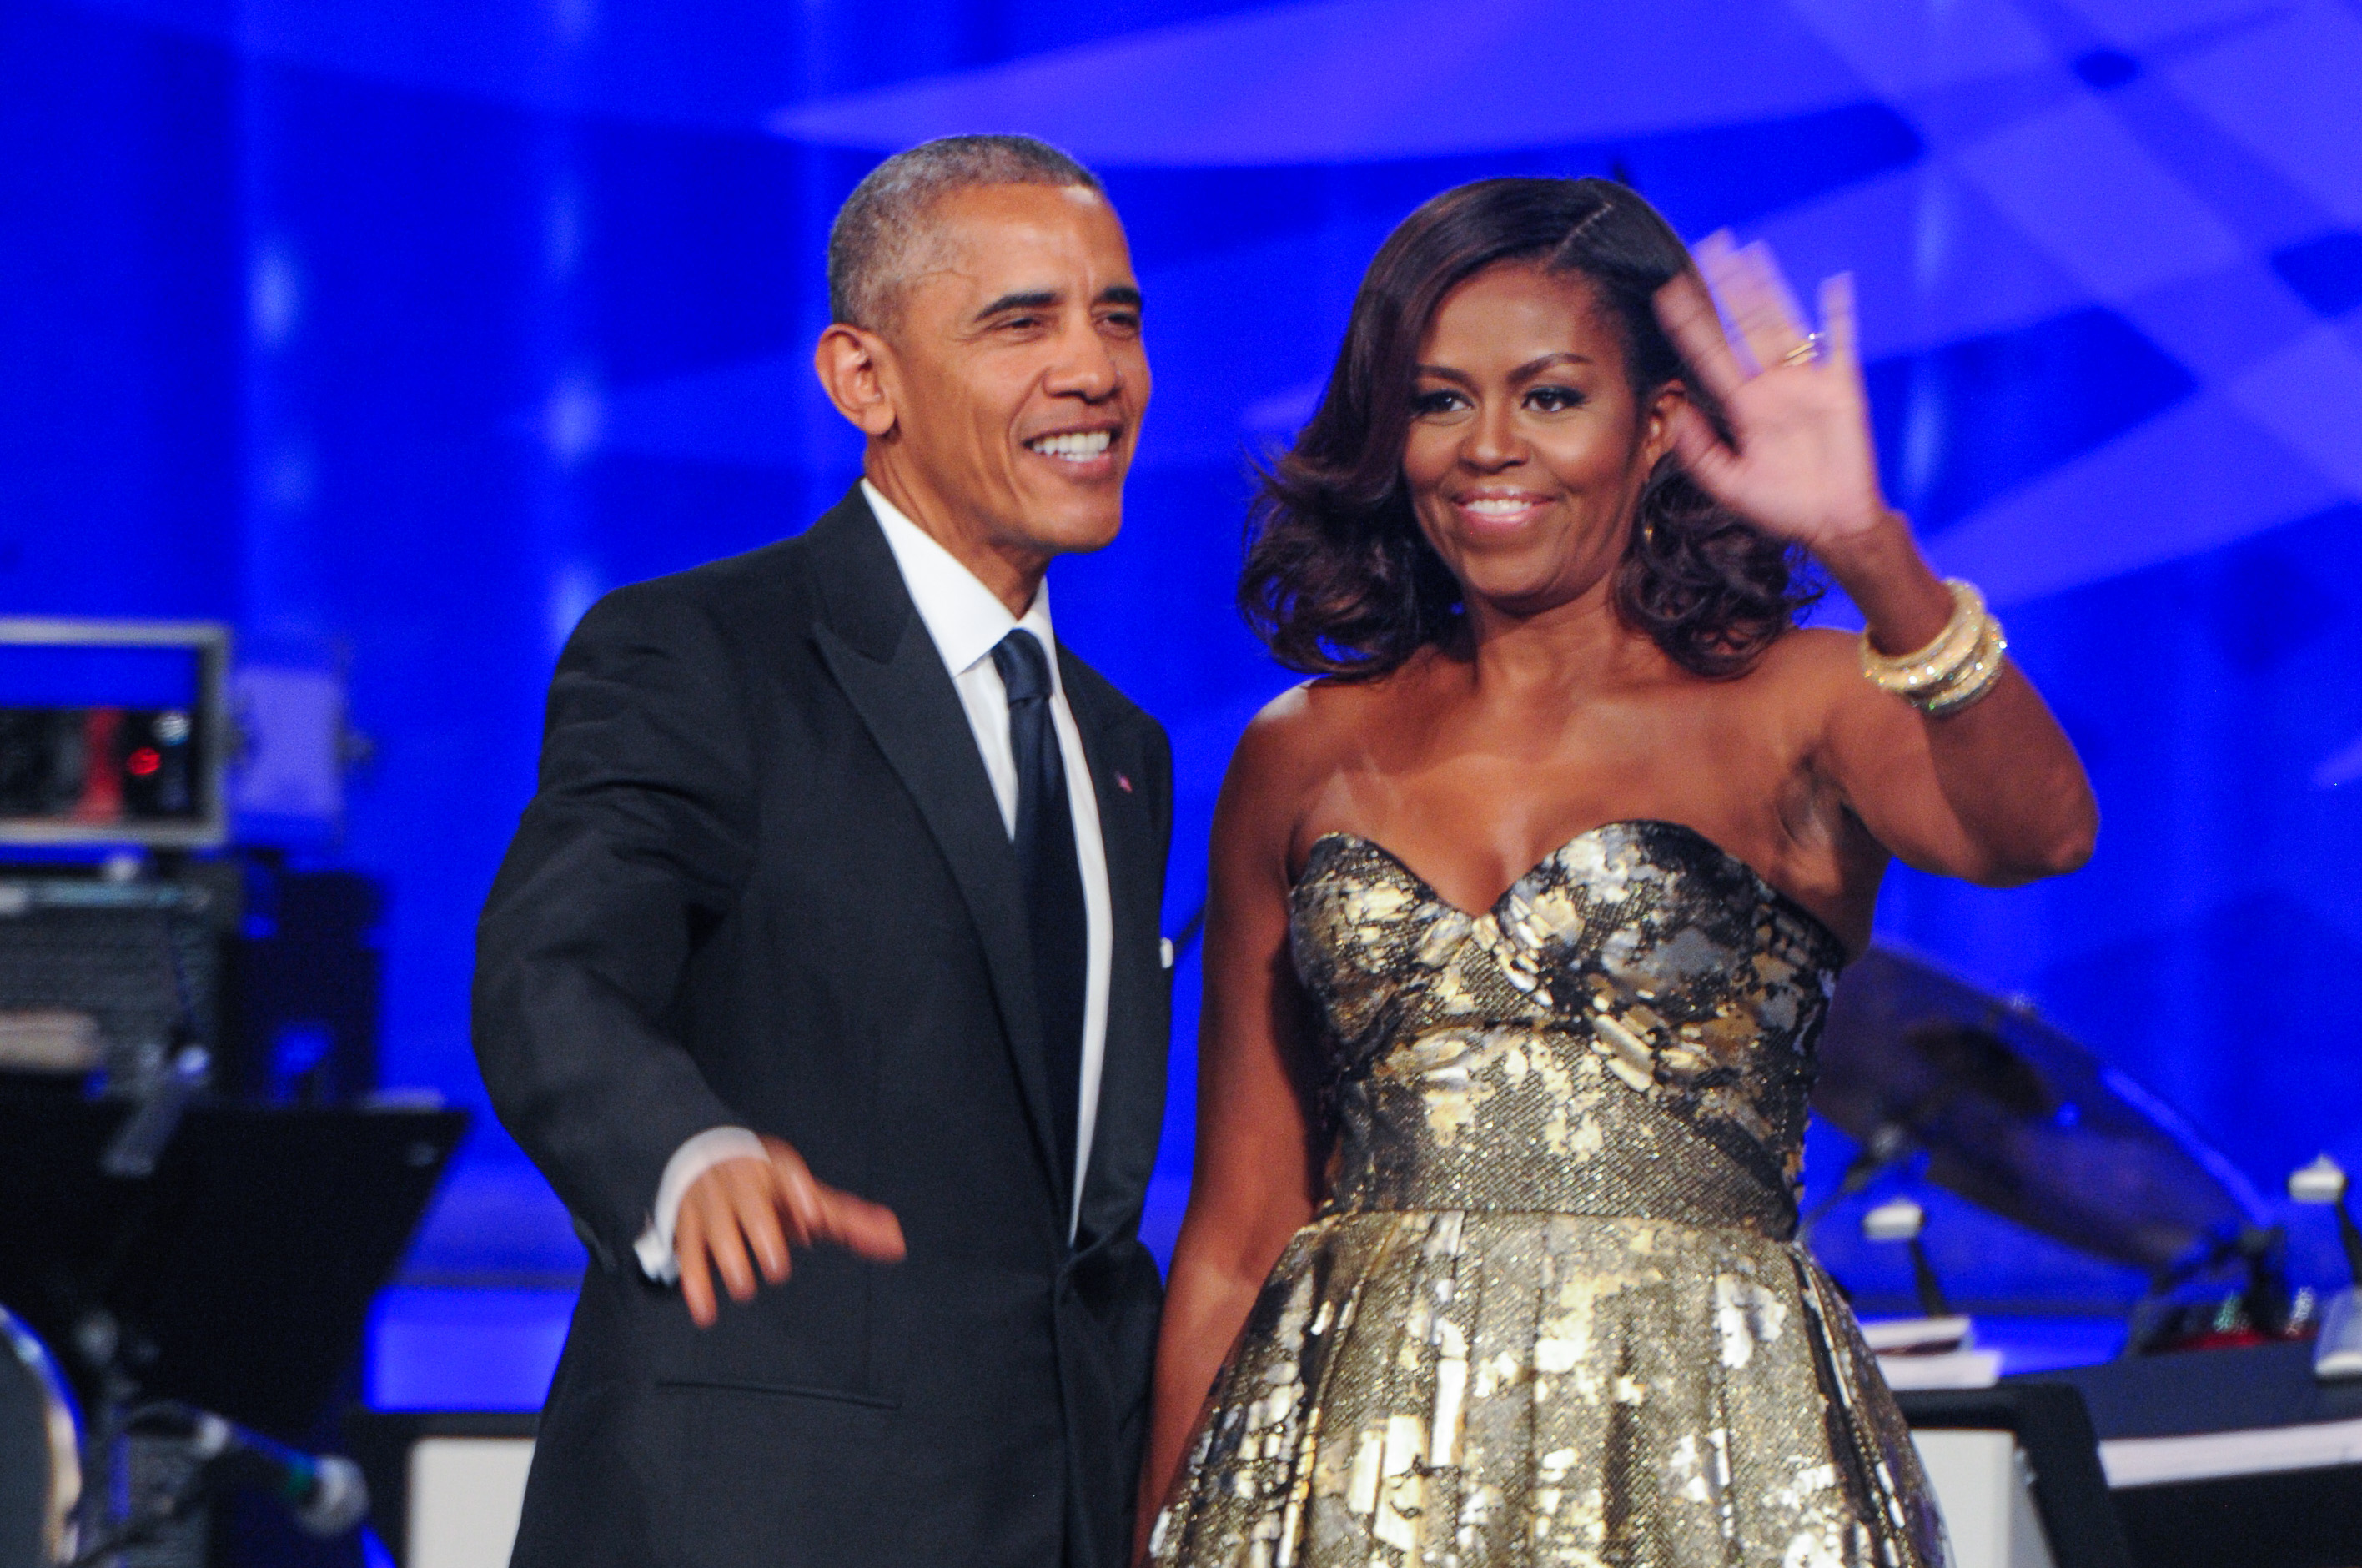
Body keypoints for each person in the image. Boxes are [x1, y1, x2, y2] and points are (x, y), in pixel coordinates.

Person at [1138, 177, 2097, 1567]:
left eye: (1550, 396)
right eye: (1439, 400)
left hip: (1709, 1463)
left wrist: (1869, 550)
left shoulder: (1798, 702)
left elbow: (2040, 834)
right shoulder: (1303, 751)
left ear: (1657, 428)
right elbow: (1238, 1235)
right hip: (1354, 1474)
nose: (1489, 447)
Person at [475, 134, 1176, 1568]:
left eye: (1117, 317)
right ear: (865, 379)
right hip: (762, 1513)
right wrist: (683, 1154)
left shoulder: (1123, 748)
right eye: (1022, 322)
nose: (1094, 370)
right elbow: (550, 972)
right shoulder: (701, 653)